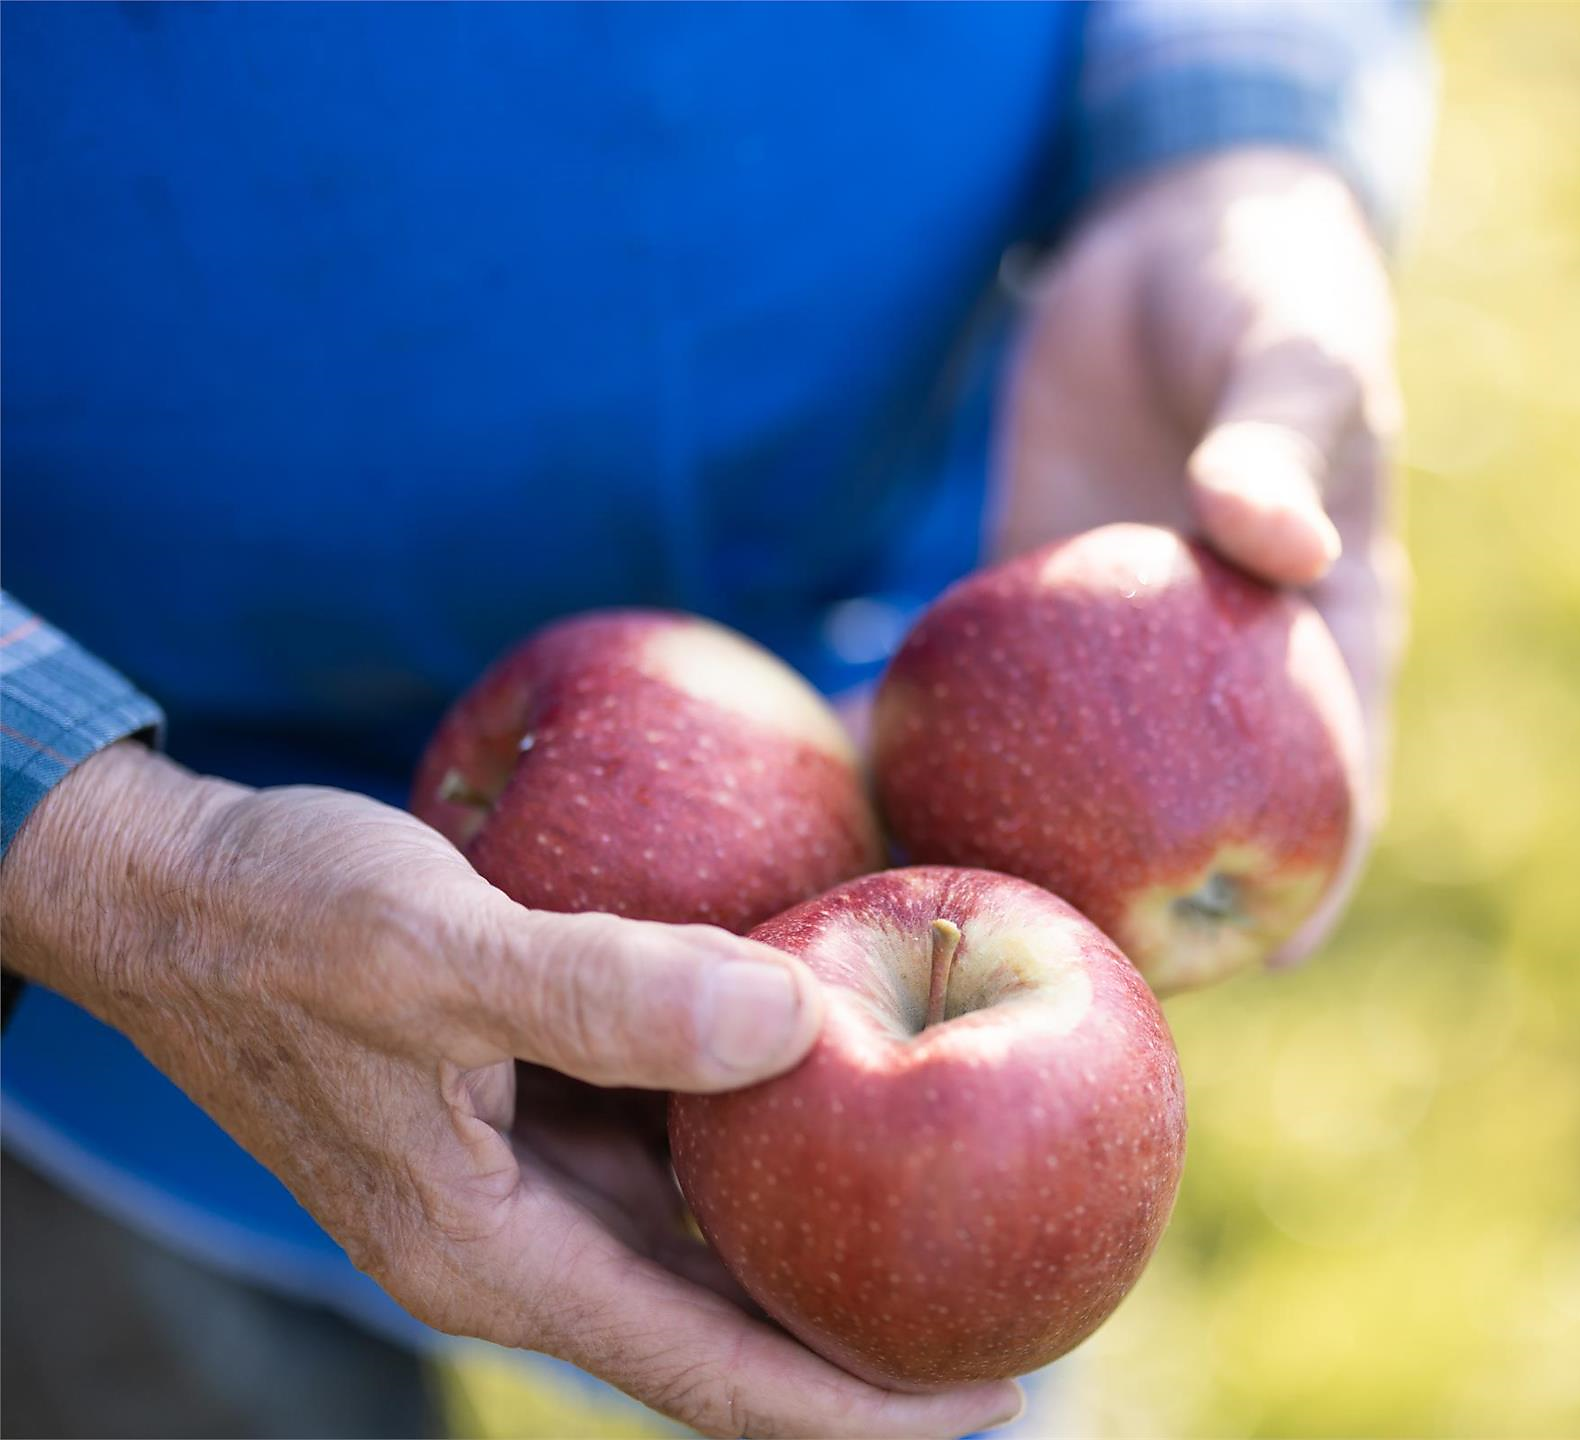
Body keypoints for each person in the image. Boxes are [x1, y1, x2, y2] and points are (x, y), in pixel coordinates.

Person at [0, 4, 1430, 1436]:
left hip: (960, 632)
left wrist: (1229, 143)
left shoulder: (999, 762)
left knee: (941, 1351)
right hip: (91, 1005)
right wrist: (86, 849)